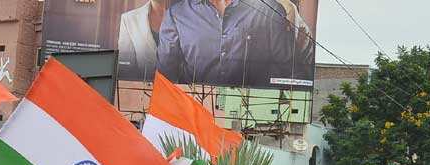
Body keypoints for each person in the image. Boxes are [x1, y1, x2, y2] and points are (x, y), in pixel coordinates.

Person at [157, 0, 297, 87]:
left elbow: (286, 69)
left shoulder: (269, 11)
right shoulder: (177, 14)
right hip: (193, 113)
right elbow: (166, 77)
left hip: (251, 114)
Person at [118, 0, 166, 80]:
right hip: (143, 90)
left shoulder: (187, 17)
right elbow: (126, 70)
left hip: (181, 89)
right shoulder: (129, 19)